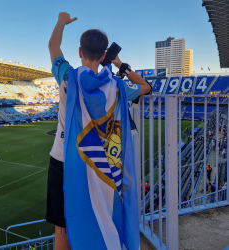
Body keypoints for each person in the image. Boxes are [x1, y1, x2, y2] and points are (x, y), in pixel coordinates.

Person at [45, 12, 152, 250]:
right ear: (104, 55)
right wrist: (119, 65)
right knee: (98, 218)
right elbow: (146, 87)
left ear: (80, 52)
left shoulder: (68, 77)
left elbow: (53, 45)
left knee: (62, 228)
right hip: (101, 165)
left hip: (65, 160)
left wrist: (61, 21)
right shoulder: (118, 88)